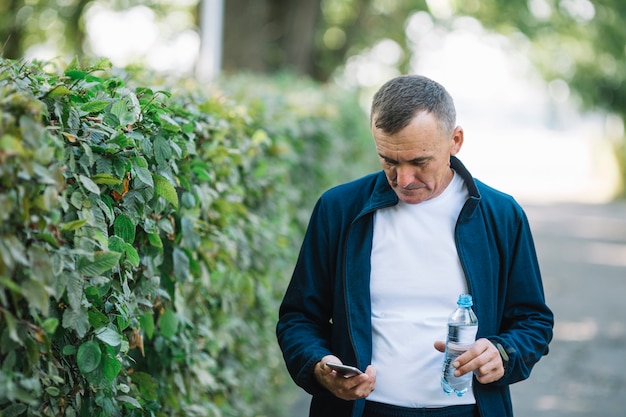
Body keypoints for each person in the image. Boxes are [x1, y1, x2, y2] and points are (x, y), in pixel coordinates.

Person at [276, 74, 554, 417]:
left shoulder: (501, 214)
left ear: (455, 140)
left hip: (469, 411)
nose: (403, 180)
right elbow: (299, 318)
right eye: (389, 161)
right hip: (362, 410)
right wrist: (319, 366)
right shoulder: (338, 209)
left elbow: (533, 320)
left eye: (419, 162)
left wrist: (503, 352)